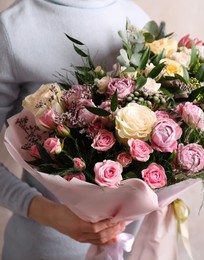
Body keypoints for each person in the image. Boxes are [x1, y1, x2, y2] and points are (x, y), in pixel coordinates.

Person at [0, 0, 150, 258]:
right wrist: (51, 214)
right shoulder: (14, 28)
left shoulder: (137, 19)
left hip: (131, 243)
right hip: (45, 245)